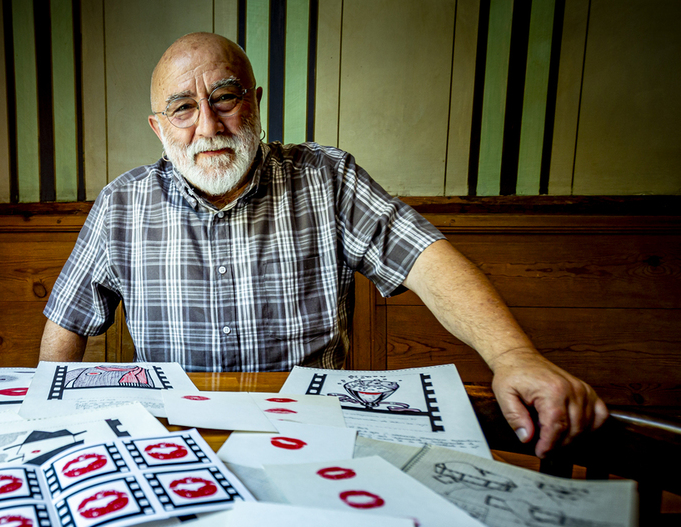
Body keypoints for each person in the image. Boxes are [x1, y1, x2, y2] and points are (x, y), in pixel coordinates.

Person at [40, 32, 607, 457]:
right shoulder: (123, 203)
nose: (208, 126)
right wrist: (48, 426)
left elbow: (426, 260)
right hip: (173, 447)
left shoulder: (324, 177)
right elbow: (67, 323)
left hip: (312, 440)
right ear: (159, 128)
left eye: (225, 97)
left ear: (256, 103)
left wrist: (513, 357)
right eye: (183, 108)